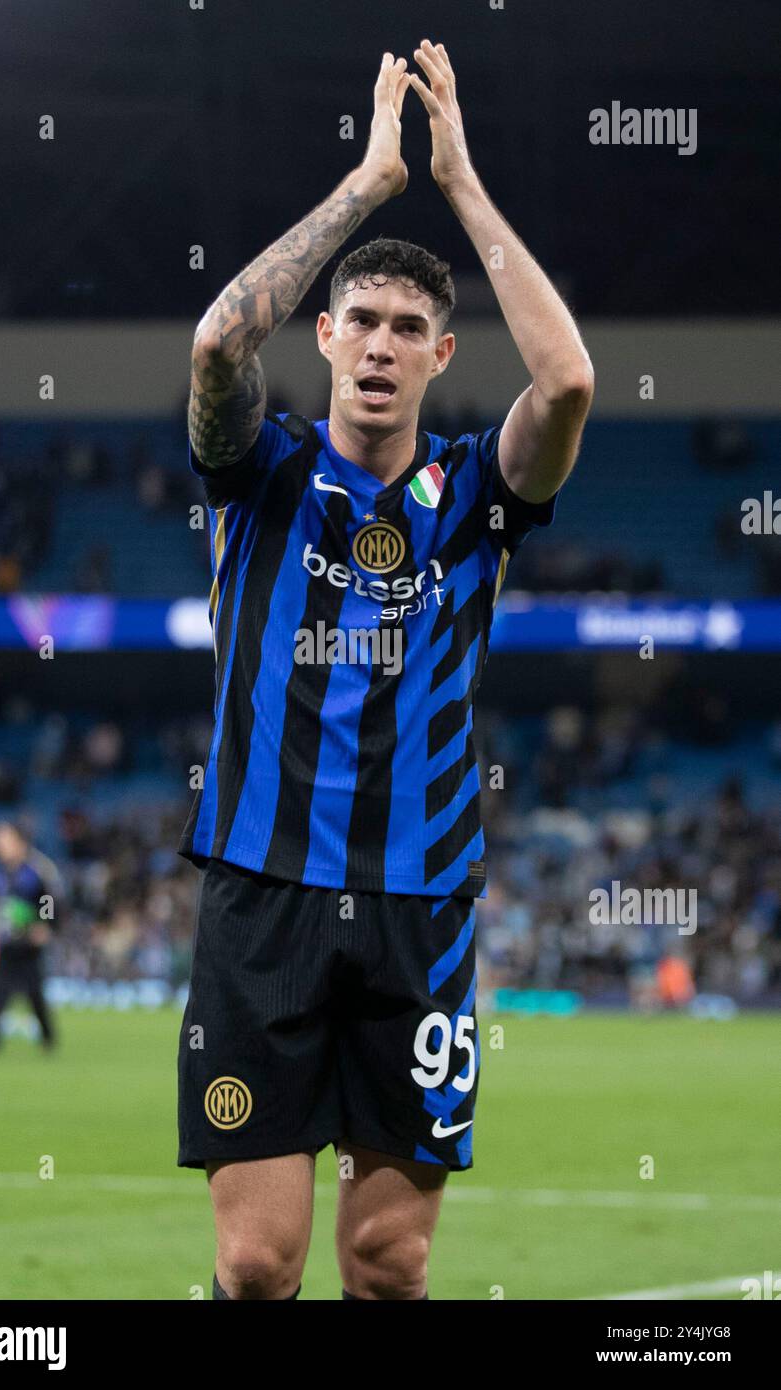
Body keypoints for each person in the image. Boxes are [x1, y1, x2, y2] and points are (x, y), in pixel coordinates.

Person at [178, 42, 593, 1300]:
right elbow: (210, 345)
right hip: (263, 898)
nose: (378, 344)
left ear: (438, 357)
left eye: (409, 328)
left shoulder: (474, 497)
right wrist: (367, 186)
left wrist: (458, 184)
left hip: (421, 905)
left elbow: (568, 379)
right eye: (359, 319)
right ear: (326, 331)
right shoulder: (262, 472)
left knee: (386, 1262)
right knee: (256, 1266)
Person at [0, 822, 60, 1052]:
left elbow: (49, 900)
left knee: (34, 993)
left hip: (29, 944)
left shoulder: (36, 870)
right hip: (6, 941)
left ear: (19, 842)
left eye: (3, 839)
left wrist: (44, 925)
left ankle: (48, 1038)